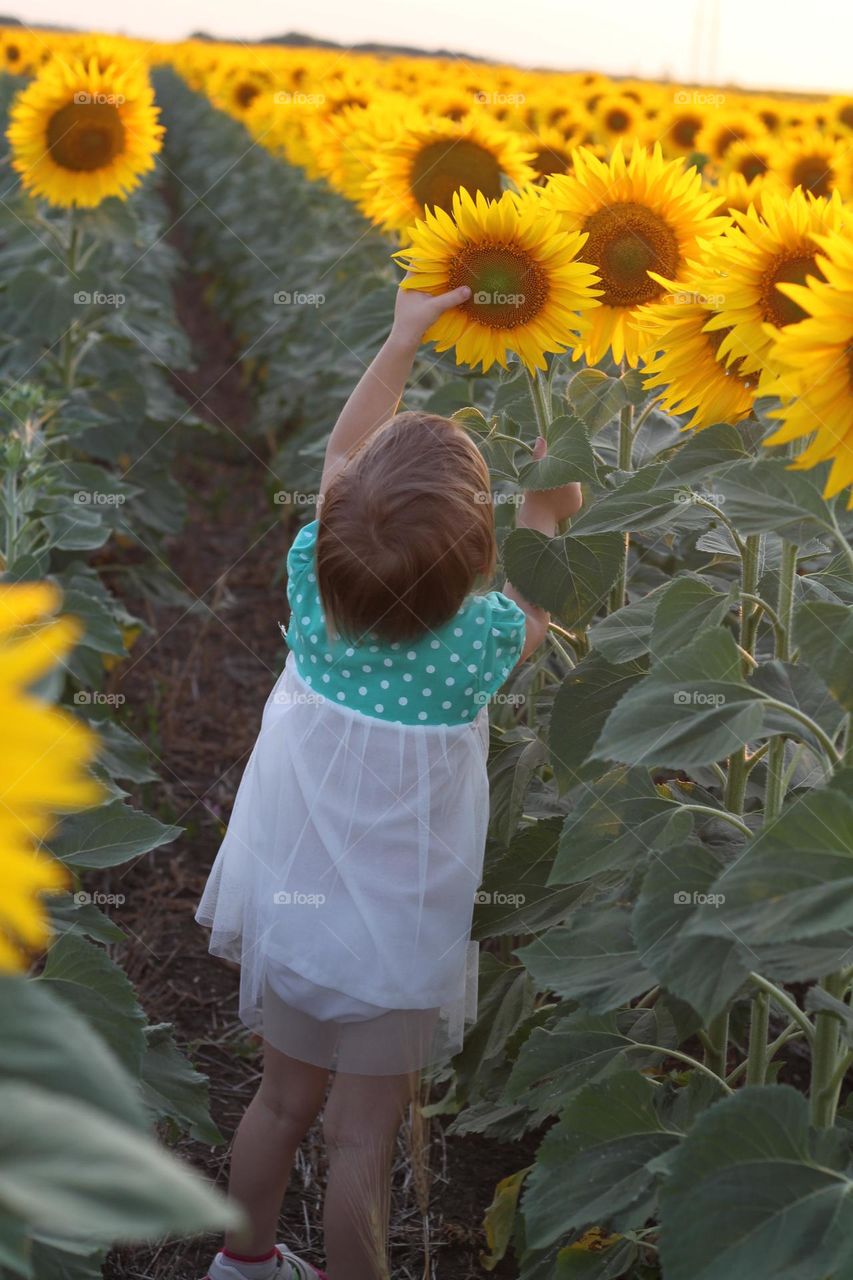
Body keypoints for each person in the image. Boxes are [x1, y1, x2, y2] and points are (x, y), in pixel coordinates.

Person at [196, 281, 583, 1280]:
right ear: (475, 562)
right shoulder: (481, 644)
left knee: (279, 1104)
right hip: (397, 930)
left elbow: (338, 464)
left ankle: (242, 1262)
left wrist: (402, 336)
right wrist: (551, 505)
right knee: (362, 1144)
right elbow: (539, 598)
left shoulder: (311, 581)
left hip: (293, 902)